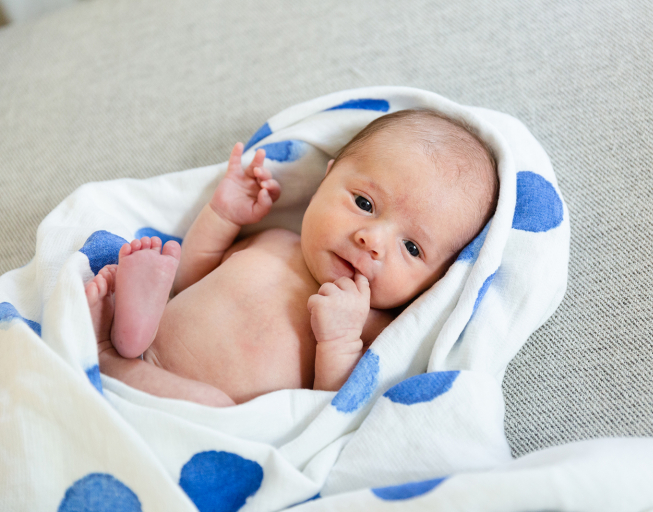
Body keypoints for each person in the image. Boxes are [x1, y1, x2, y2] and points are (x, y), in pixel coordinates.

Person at [85, 109, 498, 407]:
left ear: (435, 281)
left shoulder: (369, 328)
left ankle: (107, 354)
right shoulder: (274, 239)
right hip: (153, 343)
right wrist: (222, 215)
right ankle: (128, 332)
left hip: (212, 417)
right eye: (364, 202)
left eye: (412, 248)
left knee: (211, 402)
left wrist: (338, 342)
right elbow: (194, 278)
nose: (372, 240)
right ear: (325, 179)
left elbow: (332, 408)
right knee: (166, 296)